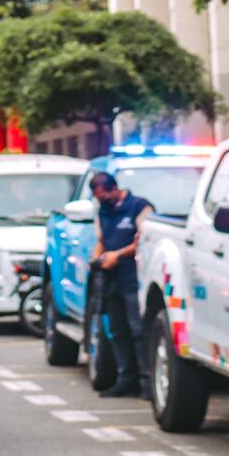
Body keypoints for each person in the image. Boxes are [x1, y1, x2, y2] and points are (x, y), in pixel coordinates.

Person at [90, 171, 153, 399]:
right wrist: (96, 258)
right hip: (111, 279)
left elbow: (145, 241)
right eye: (98, 197)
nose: (102, 200)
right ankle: (126, 380)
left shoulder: (139, 207)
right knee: (117, 331)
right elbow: (101, 241)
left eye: (104, 195)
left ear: (114, 188)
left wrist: (118, 254)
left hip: (134, 277)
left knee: (138, 330)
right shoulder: (102, 211)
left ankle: (147, 382)